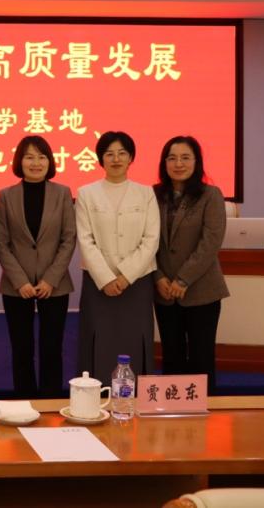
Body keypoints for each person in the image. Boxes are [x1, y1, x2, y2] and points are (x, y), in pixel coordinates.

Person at [0, 135, 76, 400]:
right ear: (20, 161)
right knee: (22, 349)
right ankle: (24, 402)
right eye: (29, 157)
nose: (36, 163)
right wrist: (20, 281)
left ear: (50, 161)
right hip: (17, 286)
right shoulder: (6, 196)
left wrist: (51, 279)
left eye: (41, 157)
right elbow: (1, 242)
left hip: (55, 285)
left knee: (52, 348)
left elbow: (68, 239)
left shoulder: (62, 193)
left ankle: (50, 403)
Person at [75, 131, 160, 385]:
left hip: (137, 282)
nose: (116, 159)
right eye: (109, 154)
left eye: (122, 153)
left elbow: (151, 239)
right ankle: (95, 393)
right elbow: (85, 240)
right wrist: (106, 278)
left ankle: (136, 396)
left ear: (131, 157)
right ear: (100, 159)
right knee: (98, 340)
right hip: (98, 283)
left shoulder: (145, 193)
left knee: (136, 339)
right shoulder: (87, 193)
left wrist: (126, 276)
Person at [152, 136, 228, 393]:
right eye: (172, 158)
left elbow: (211, 242)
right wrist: (158, 277)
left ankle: (204, 409)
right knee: (171, 355)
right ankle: (172, 409)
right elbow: (146, 240)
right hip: (164, 291)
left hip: (201, 290)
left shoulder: (210, 195)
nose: (178, 164)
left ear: (197, 162)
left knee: (201, 356)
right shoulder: (153, 195)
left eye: (185, 158)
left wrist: (183, 279)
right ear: (164, 163)